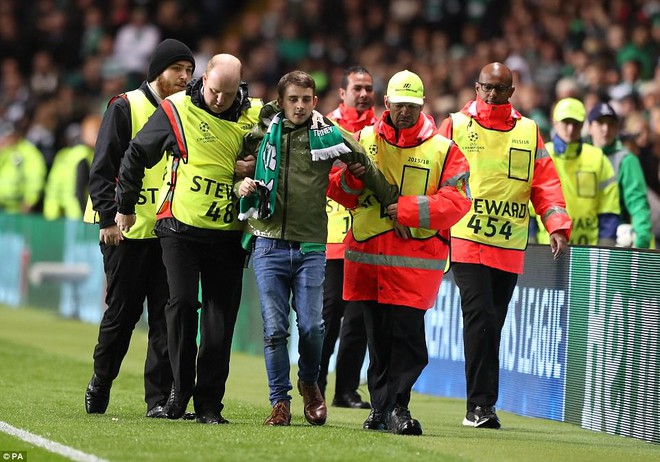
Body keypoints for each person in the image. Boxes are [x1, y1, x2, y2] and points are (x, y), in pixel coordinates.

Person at [236, 70, 399, 427]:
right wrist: (240, 182)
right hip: (268, 243)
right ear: (281, 102)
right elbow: (232, 166)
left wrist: (394, 203)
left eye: (306, 100)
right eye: (293, 99)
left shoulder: (327, 133)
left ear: (315, 101)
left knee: (312, 327)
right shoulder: (260, 133)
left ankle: (309, 381)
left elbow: (364, 164)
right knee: (275, 328)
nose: (299, 106)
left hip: (311, 246)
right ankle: (280, 402)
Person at [114, 54, 261, 425]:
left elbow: (283, 157)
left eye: (228, 94)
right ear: (204, 78)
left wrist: (254, 163)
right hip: (179, 228)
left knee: (220, 320)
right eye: (214, 91)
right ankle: (179, 390)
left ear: (239, 87)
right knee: (179, 306)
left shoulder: (256, 116)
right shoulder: (176, 109)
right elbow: (136, 154)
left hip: (227, 236)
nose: (219, 100)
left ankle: (210, 404)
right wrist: (125, 205)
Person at [328, 69, 471, 435]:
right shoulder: (364, 139)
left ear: (421, 105)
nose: (404, 112)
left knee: (408, 344)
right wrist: (352, 179)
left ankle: (393, 406)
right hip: (369, 261)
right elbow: (336, 189)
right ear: (386, 103)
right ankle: (385, 410)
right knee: (377, 343)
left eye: (411, 106)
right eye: (398, 105)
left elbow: (458, 201)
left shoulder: (442, 149)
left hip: (413, 264)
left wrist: (408, 209)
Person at [437, 62, 572, 429]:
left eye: (499, 88)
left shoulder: (529, 131)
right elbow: (434, 175)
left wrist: (556, 225)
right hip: (466, 238)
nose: (492, 94)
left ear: (511, 92)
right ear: (476, 87)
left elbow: (545, 184)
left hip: (509, 245)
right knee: (480, 317)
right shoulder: (456, 124)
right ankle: (479, 407)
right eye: (486, 87)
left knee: (493, 322)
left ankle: (484, 404)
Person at [83, 38, 196, 418]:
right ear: (157, 72)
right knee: (122, 314)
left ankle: (158, 401)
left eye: (190, 71)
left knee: (167, 319)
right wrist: (106, 218)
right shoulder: (124, 105)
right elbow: (102, 168)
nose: (185, 77)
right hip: (125, 230)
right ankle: (101, 380)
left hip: (167, 231)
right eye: (178, 69)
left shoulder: (185, 111)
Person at [319, 66, 376, 409]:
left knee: (357, 320)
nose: (364, 93)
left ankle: (346, 391)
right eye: (357, 87)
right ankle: (315, 383)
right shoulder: (323, 127)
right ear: (342, 92)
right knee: (327, 317)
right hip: (330, 238)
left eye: (368, 87)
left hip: (366, 237)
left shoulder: (379, 129)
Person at [530, 97, 620, 246]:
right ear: (554, 122)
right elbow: (529, 208)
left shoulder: (597, 158)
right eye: (566, 123)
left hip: (588, 248)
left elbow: (608, 208)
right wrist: (531, 246)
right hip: (547, 246)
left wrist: (605, 249)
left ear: (583, 124)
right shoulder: (543, 155)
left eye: (576, 124)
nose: (571, 129)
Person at [588, 101, 652, 248]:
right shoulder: (581, 156)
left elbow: (638, 204)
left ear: (617, 128)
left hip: (614, 241)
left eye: (611, 124)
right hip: (583, 239)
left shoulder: (626, 160)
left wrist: (641, 242)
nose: (606, 129)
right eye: (601, 123)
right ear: (590, 127)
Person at [43, 114, 100, 220]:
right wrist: (85, 215)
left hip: (64, 212)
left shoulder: (66, 154)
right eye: (96, 132)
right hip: (79, 214)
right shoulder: (84, 155)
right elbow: (79, 189)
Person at [0, 119, 46, 214]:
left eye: (10, 135)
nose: (6, 138)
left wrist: (30, 200)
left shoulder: (28, 151)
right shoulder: (4, 151)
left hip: (19, 207)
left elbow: (35, 177)